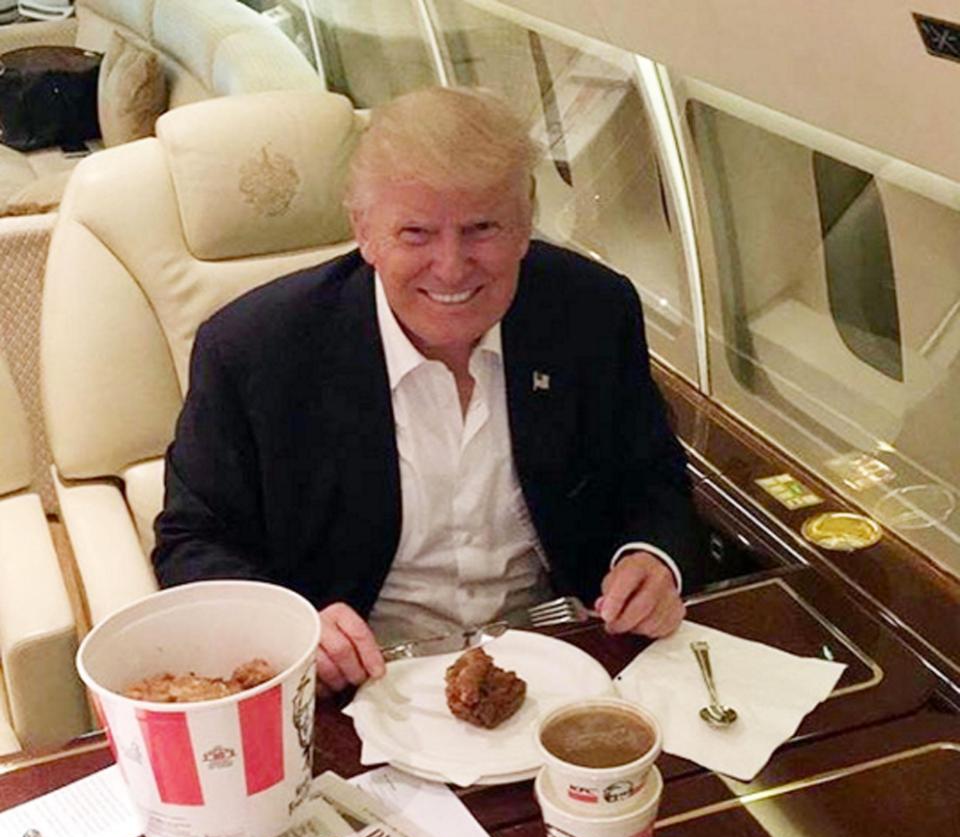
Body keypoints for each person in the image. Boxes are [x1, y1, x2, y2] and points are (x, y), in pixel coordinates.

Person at [152, 86, 706, 696]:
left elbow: (653, 479)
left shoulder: (592, 312)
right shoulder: (254, 349)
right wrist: (291, 629)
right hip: (359, 681)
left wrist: (653, 558)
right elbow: (192, 542)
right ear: (364, 232)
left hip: (561, 662)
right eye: (415, 233)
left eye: (482, 228)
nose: (451, 266)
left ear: (525, 224)